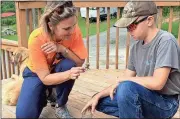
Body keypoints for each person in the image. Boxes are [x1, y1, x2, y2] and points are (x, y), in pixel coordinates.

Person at [82, 1, 180, 118]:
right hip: (144, 95)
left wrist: (125, 80)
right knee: (100, 101)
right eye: (127, 27)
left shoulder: (165, 41)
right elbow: (123, 81)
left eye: (132, 26)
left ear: (149, 20)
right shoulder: (136, 47)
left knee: (126, 88)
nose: (129, 31)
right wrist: (97, 96)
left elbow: (157, 83)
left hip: (165, 103)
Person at [16, 1, 87, 118]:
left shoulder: (74, 30)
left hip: (58, 68)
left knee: (69, 64)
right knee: (24, 115)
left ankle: (60, 104)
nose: (72, 31)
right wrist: (69, 74)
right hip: (36, 74)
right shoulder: (36, 38)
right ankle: (47, 93)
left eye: (74, 25)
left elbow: (79, 62)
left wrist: (62, 49)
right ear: (51, 26)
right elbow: (45, 78)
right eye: (66, 28)